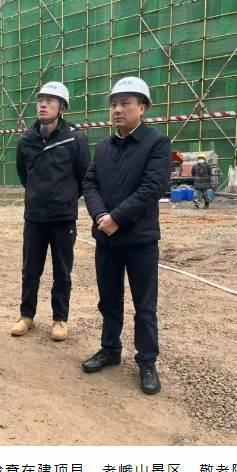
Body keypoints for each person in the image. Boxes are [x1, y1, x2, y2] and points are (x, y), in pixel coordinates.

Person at [81, 76, 171, 394]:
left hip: (140, 241)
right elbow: (89, 183)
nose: (117, 109)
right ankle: (110, 349)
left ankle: (147, 361)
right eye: (114, 104)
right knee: (109, 300)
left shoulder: (156, 143)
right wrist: (100, 217)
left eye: (125, 103)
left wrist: (117, 218)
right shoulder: (105, 145)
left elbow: (152, 187)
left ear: (142, 108)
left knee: (144, 306)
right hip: (107, 240)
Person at [11, 81, 91, 341]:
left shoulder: (75, 139)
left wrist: (65, 198)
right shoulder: (26, 140)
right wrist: (37, 196)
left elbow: (84, 176)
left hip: (62, 219)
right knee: (30, 270)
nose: (43, 105)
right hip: (34, 217)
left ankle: (60, 319)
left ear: (62, 107)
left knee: (62, 272)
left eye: (50, 101)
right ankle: (27, 316)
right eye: (40, 100)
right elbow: (24, 174)